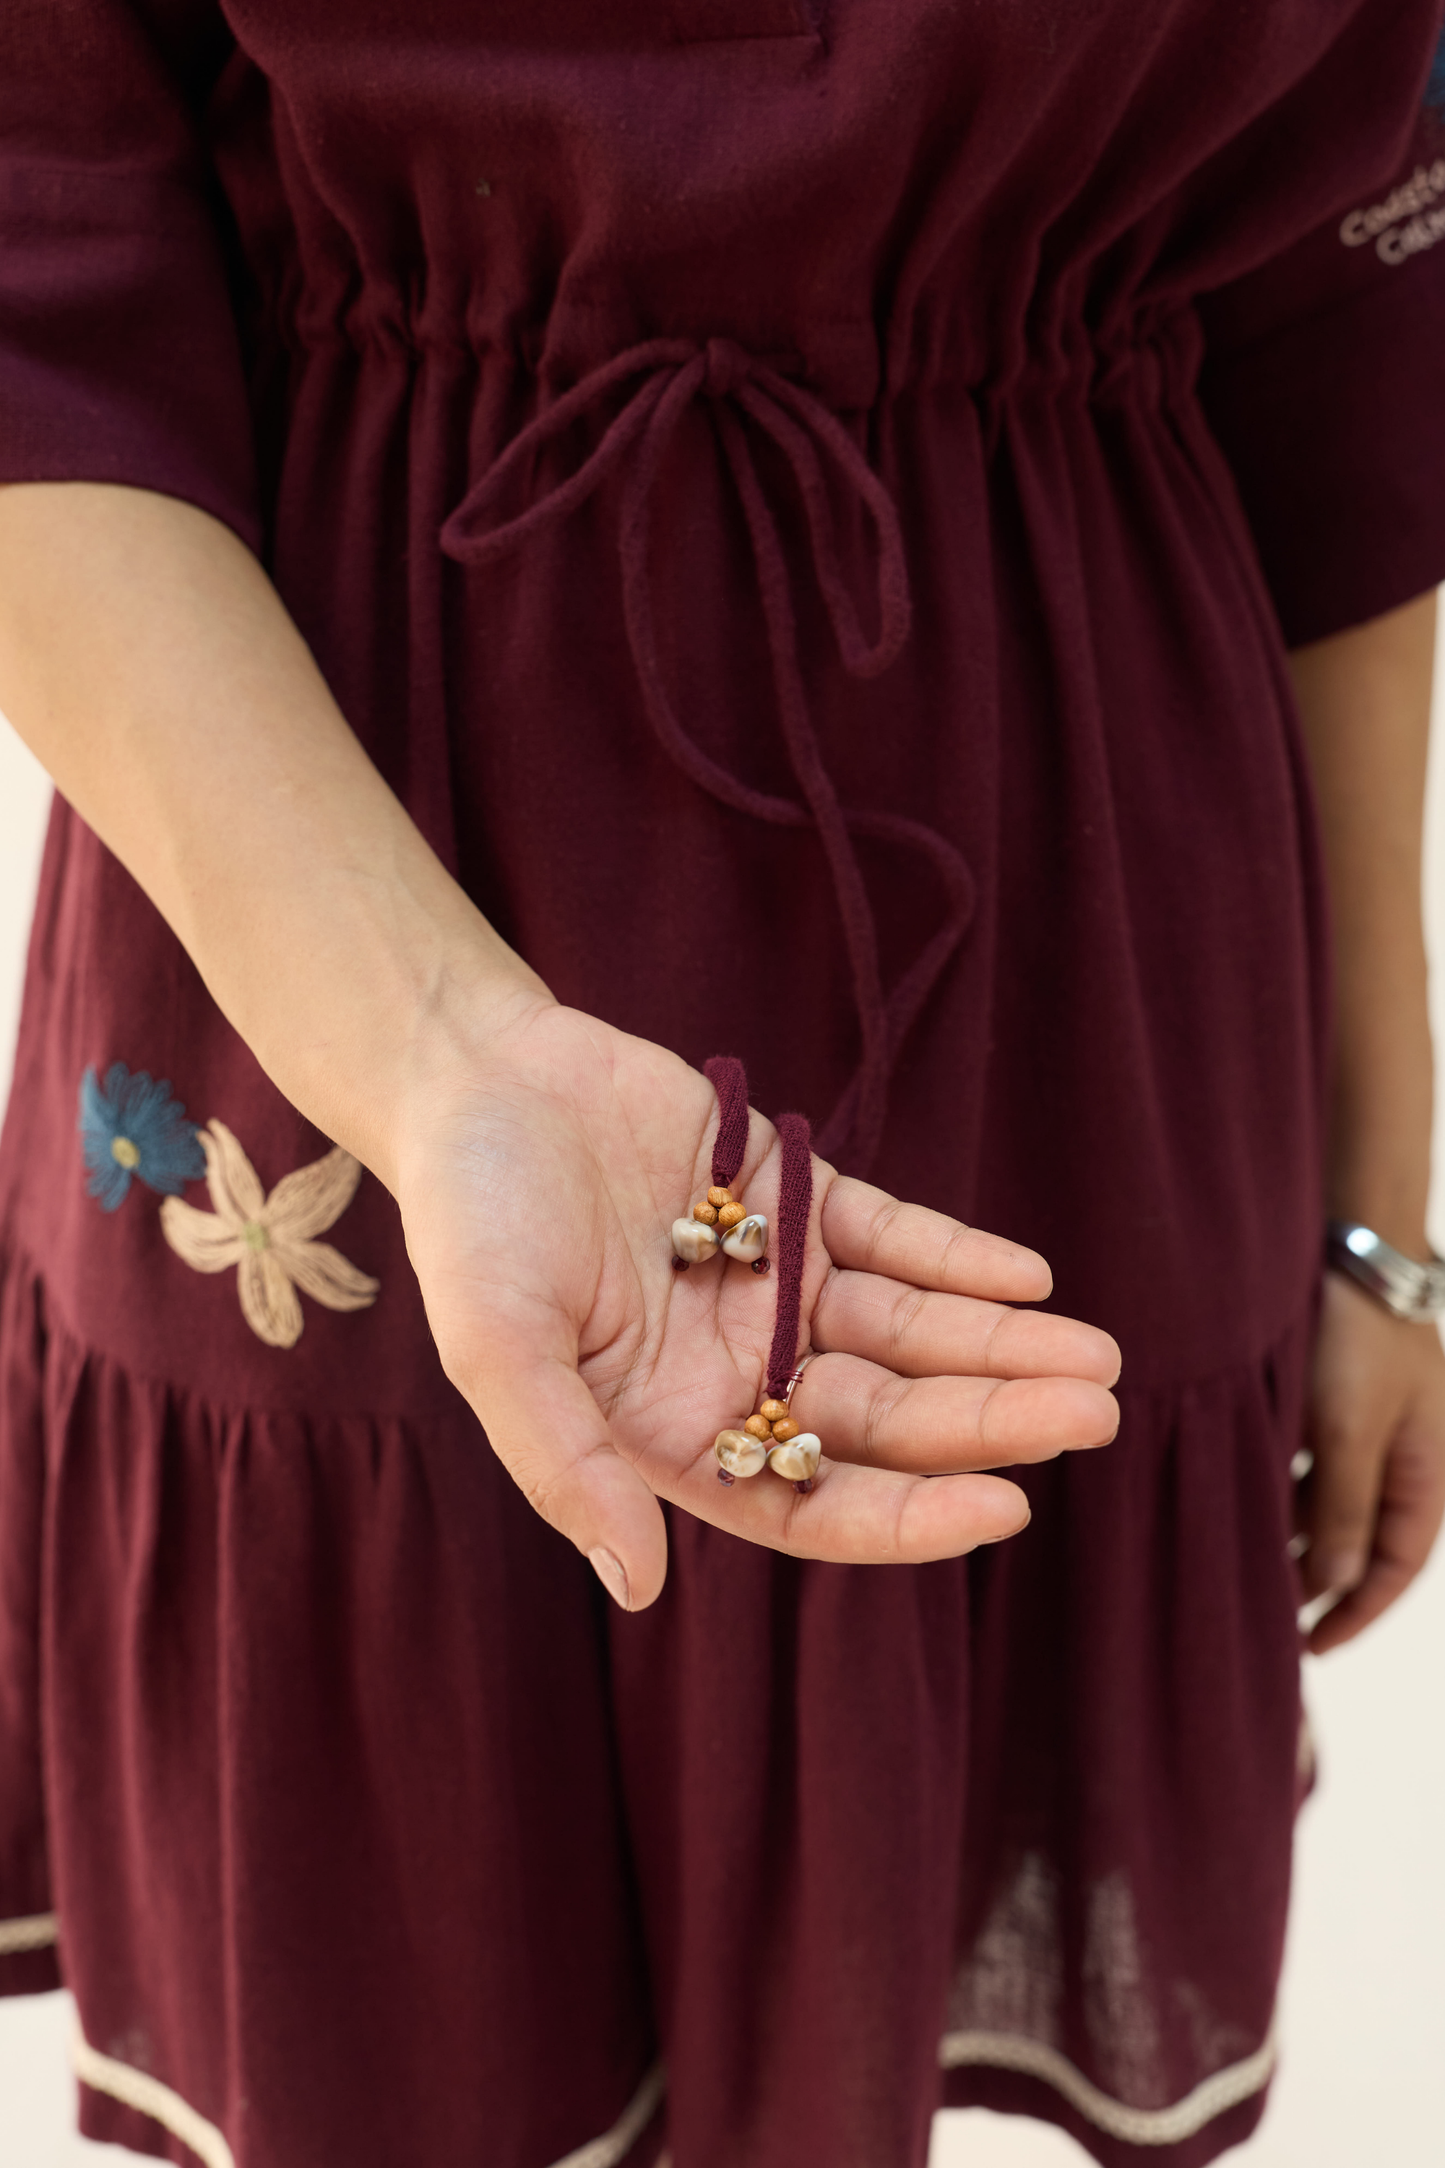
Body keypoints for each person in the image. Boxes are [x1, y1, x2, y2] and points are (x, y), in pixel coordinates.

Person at [1, 4, 1444, 2165]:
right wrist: (431, 1053)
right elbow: (38, 270)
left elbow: (1347, 315)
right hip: (320, 923)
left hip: (1070, 975)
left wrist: (1383, 1162)